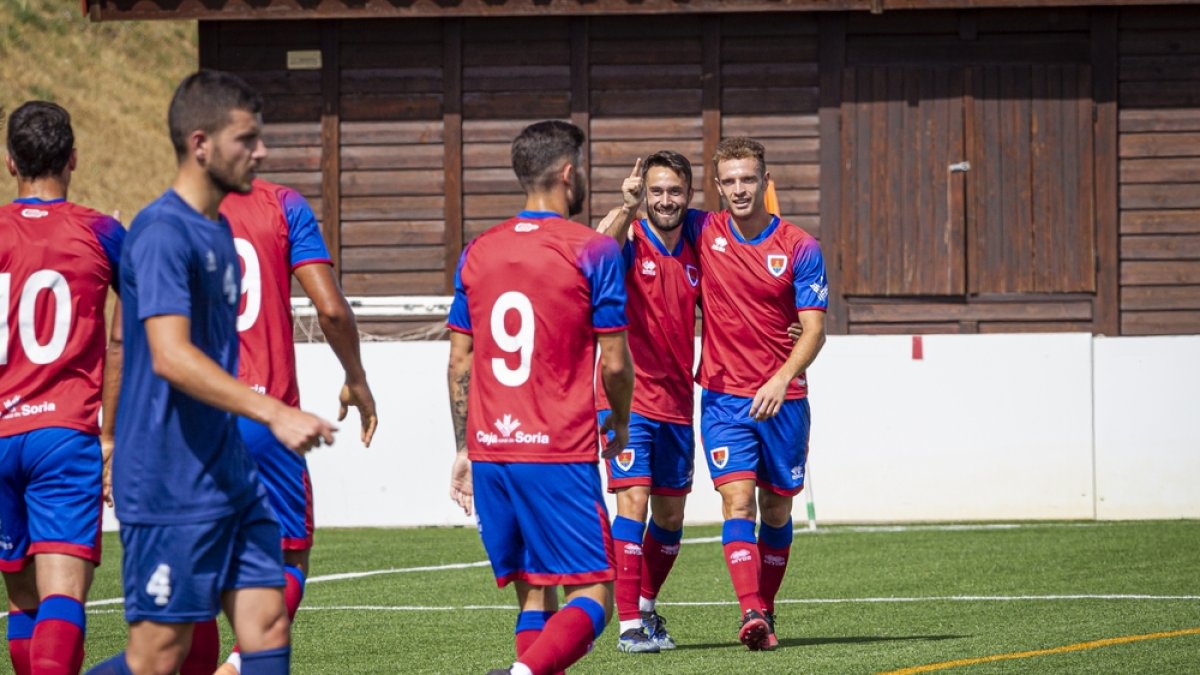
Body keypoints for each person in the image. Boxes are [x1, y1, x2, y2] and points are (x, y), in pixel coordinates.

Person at [86, 70, 336, 675]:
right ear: (201, 145)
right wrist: (272, 410)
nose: (262, 152)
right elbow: (169, 356)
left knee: (268, 619)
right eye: (247, 140)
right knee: (158, 657)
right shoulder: (160, 231)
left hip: (228, 471)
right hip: (170, 479)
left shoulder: (218, 230)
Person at [446, 120, 634, 675]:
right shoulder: (594, 250)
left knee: (533, 589)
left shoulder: (478, 250)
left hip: (491, 450)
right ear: (569, 173)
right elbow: (616, 361)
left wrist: (463, 446)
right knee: (598, 593)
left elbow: (459, 361)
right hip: (556, 449)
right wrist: (620, 420)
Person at [176, 179, 378, 675]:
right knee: (288, 560)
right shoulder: (282, 204)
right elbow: (330, 309)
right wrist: (356, 377)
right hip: (266, 417)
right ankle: (243, 661)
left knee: (197, 570)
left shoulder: (173, 208)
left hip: (194, 416)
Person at [687, 137, 827, 651]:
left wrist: (781, 377)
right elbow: (646, 229)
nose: (740, 189)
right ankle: (750, 610)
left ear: (765, 183)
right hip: (725, 398)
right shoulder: (702, 230)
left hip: (785, 402)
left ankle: (766, 608)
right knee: (737, 501)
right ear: (718, 187)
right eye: (730, 181)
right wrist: (631, 199)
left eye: (749, 179)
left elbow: (814, 331)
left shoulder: (800, 246)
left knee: (775, 511)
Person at [1, 101, 124, 675]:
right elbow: (148, 329)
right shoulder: (101, 230)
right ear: (73, 158)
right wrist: (114, 434)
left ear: (9, 164)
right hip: (62, 434)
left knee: (22, 601)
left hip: (2, 434)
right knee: (60, 597)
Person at [591, 151, 700, 654]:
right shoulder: (631, 239)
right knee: (631, 501)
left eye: (673, 191)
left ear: (688, 194)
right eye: (656, 191)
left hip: (679, 399)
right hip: (625, 398)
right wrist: (627, 207)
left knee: (671, 518)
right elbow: (594, 249)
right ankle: (628, 624)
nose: (664, 200)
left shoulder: (701, 244)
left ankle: (648, 606)